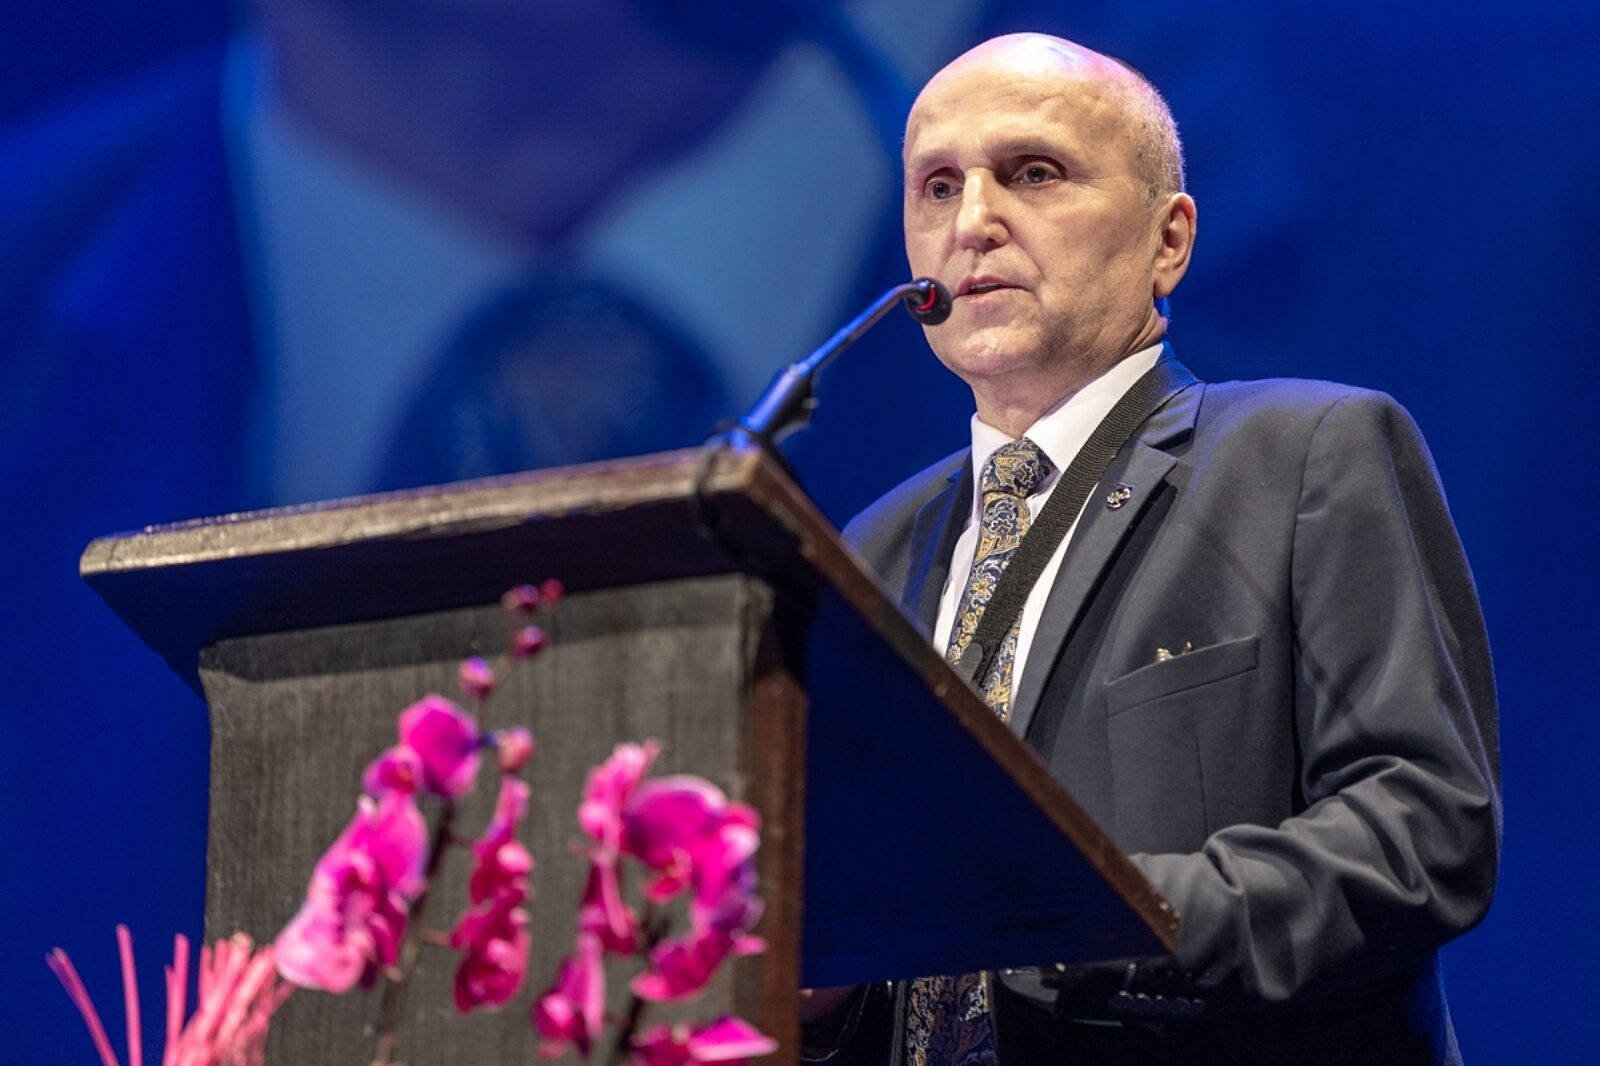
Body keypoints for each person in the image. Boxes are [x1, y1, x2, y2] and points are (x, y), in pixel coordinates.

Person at [804, 33, 1499, 1066]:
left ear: (1167, 239)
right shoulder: (869, 547)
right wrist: (822, 999)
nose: (972, 221)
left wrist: (1090, 927)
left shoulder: (1306, 453)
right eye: (937, 187)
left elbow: (1423, 832)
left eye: (1033, 173)